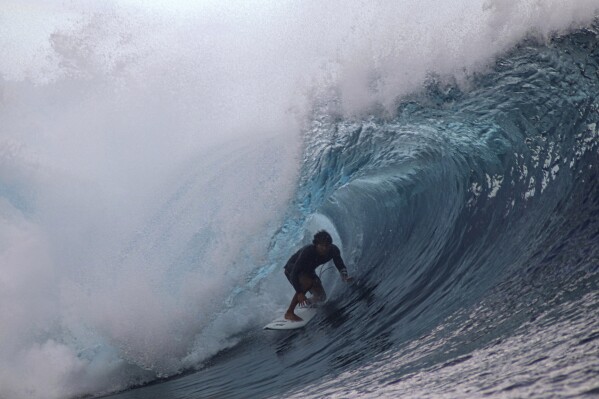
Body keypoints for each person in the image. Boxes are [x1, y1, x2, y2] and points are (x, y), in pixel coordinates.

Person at [283, 230, 353, 321]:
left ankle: (308, 303)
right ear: (316, 245)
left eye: (327, 246)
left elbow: (340, 264)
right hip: (291, 269)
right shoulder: (308, 251)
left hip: (308, 271)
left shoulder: (333, 250)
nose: (324, 248)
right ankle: (289, 312)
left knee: (321, 297)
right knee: (308, 283)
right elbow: (294, 273)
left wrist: (345, 276)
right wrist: (299, 292)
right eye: (321, 245)